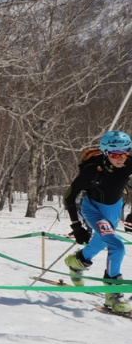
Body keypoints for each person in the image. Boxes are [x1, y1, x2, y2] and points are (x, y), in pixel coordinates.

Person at [63, 130, 132, 314]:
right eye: (115, 154)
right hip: (93, 209)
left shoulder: (128, 163)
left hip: (114, 208)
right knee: (117, 246)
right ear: (106, 152)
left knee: (102, 241)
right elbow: (69, 196)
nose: (120, 158)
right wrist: (76, 226)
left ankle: (77, 261)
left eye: (124, 153)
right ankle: (113, 293)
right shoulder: (93, 169)